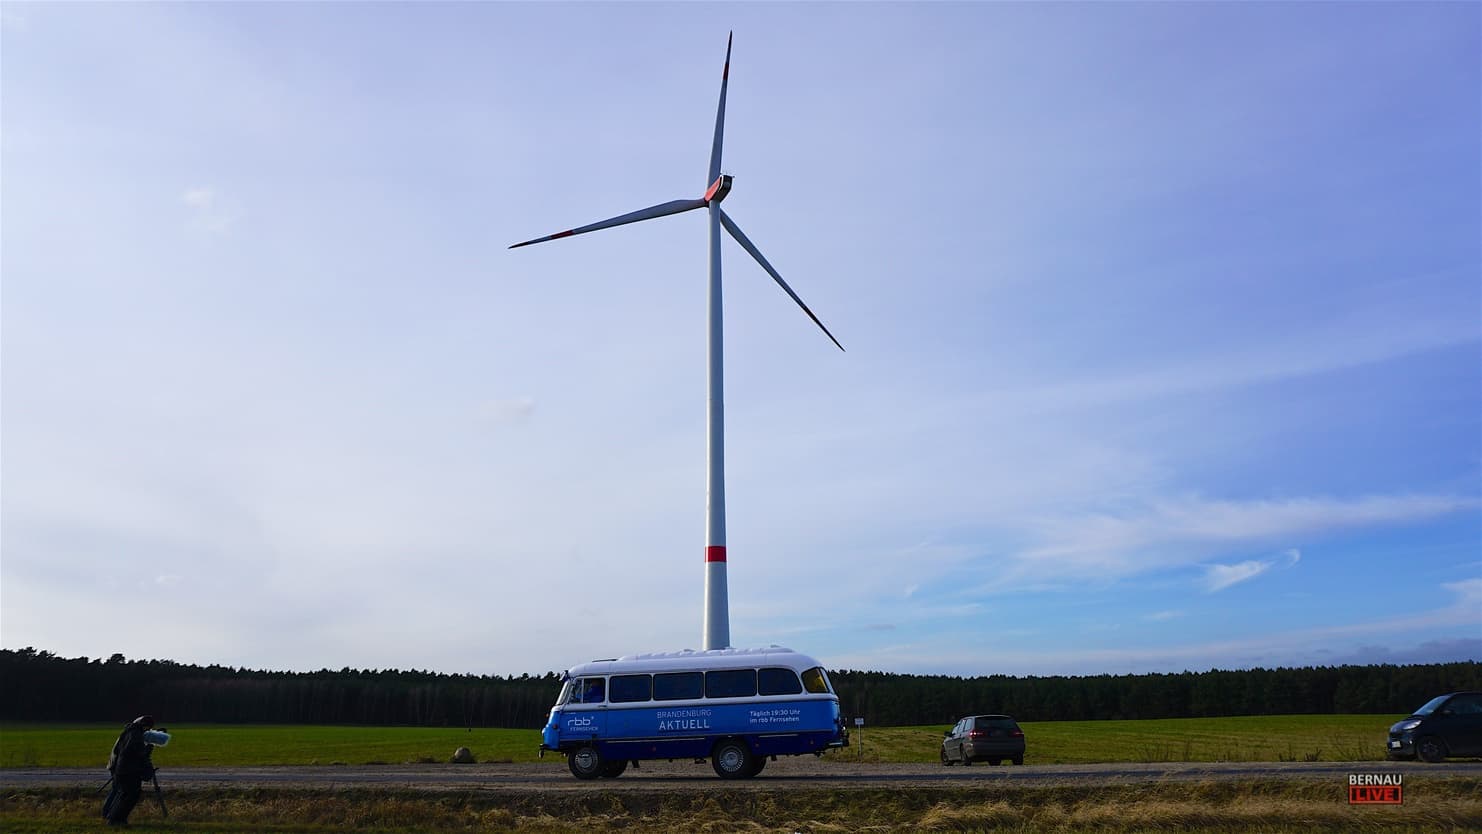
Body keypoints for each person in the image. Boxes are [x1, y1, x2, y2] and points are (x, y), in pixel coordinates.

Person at [102, 715, 157, 827]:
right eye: (147, 728)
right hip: (128, 771)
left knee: (123, 794)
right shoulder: (135, 735)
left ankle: (114, 818)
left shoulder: (129, 732)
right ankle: (115, 819)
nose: (147, 730)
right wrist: (147, 749)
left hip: (122, 769)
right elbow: (134, 752)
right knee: (128, 796)